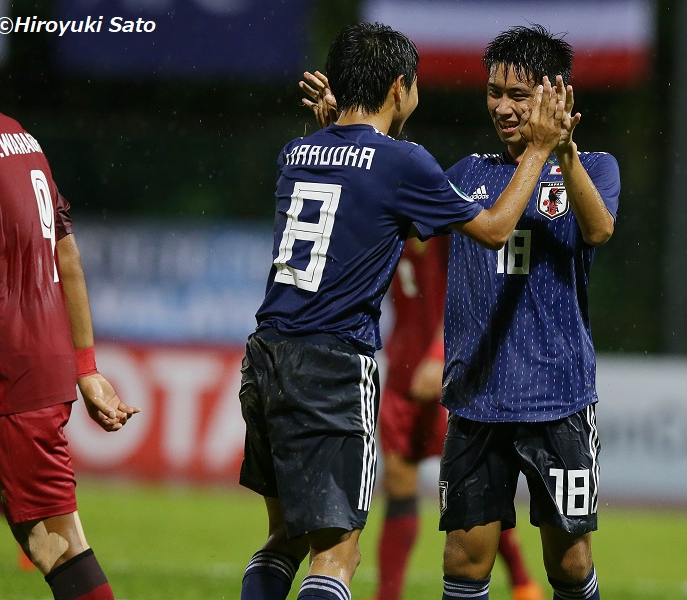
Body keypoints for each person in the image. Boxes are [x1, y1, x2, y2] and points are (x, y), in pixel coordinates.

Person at [237, 22, 563, 600]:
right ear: (399, 87)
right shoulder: (404, 163)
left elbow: (349, 169)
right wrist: (538, 150)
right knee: (336, 553)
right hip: (332, 362)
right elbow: (491, 230)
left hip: (266, 354)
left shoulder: (297, 152)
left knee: (282, 535)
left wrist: (340, 124)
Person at [300, 24, 619, 600]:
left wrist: (561, 150)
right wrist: (344, 136)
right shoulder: (467, 173)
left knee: (569, 564)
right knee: (464, 561)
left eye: (518, 95)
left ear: (555, 96)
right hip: (475, 401)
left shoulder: (593, 167)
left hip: (559, 399)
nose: (501, 106)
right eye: (494, 91)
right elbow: (393, 200)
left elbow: (598, 228)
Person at [0, 18, 140, 600]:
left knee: (58, 546)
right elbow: (68, 253)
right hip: (35, 364)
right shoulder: (19, 137)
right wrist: (85, 366)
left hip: (10, 380)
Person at [372, 236, 544, 600]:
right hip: (403, 367)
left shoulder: (445, 218)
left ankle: (522, 581)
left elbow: (468, 288)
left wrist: (439, 354)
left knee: (471, 491)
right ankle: (387, 595)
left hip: (452, 368)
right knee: (398, 480)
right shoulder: (391, 211)